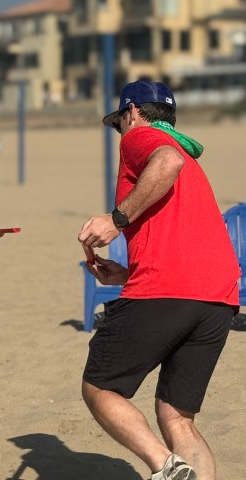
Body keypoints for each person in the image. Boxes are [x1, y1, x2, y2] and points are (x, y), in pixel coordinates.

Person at [78, 80, 239, 480]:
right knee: (177, 416)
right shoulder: (185, 147)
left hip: (167, 290)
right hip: (218, 296)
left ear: (131, 112)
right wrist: (129, 272)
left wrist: (115, 220)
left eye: (119, 122)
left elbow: (167, 163)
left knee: (99, 388)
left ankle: (166, 466)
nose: (120, 130)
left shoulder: (142, 137)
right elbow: (181, 233)